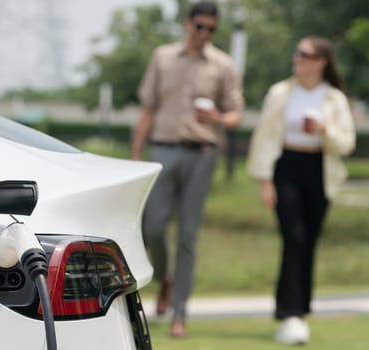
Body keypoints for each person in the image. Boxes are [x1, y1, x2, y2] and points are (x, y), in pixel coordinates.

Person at [131, 1, 243, 338]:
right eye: (200, 27)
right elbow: (148, 109)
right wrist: (136, 156)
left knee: (188, 236)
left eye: (212, 29)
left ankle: (180, 313)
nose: (205, 34)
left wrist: (219, 119)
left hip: (202, 154)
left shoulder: (223, 65)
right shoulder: (162, 57)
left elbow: (236, 113)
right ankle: (165, 278)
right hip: (162, 150)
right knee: (152, 227)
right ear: (187, 24)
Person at [247, 36, 356, 345]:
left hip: (319, 171)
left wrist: (325, 130)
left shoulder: (333, 98)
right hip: (285, 167)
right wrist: (265, 180)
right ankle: (289, 312)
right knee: (293, 238)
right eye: (296, 52)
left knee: (309, 241)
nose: (296, 57)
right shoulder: (280, 92)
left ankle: (300, 311)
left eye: (304, 54)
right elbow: (264, 138)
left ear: (321, 61)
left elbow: (346, 143)